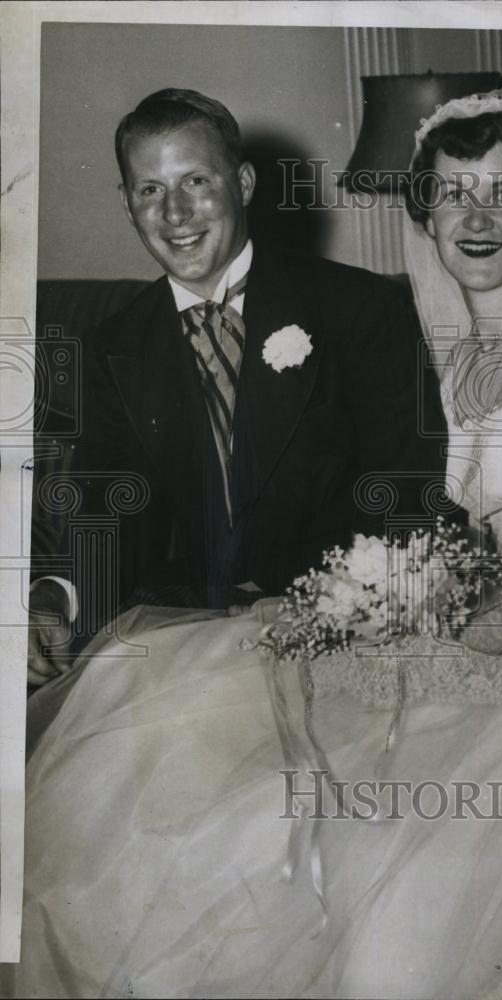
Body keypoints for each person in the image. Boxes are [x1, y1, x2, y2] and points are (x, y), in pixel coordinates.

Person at [7, 85, 502, 999]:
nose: (474, 220)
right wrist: (56, 599)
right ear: (423, 212)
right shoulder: (445, 340)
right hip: (371, 620)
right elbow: (97, 508)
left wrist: (420, 626)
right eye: (451, 195)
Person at [27, 87, 448, 685]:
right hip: (189, 644)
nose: (175, 213)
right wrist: (53, 597)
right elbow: (108, 519)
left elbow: (404, 490)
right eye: (151, 190)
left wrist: (335, 610)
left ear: (243, 185)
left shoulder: (360, 309)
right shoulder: (110, 346)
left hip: (344, 633)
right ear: (127, 203)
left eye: (196, 181)